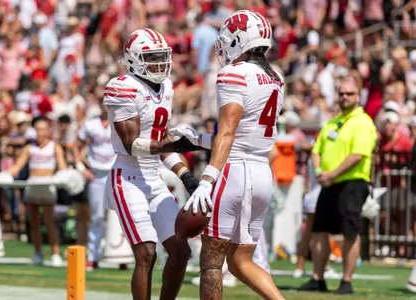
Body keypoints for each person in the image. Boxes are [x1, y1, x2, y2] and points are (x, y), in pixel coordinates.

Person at [170, 10, 284, 300]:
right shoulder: (274, 77)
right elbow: (243, 136)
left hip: (234, 172)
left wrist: (208, 179)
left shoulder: (233, 73)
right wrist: (197, 140)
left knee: (211, 260)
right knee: (240, 261)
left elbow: (229, 132)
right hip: (260, 171)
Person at [103, 28, 203, 300]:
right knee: (146, 253)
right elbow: (132, 145)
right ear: (134, 59)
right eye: (152, 57)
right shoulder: (123, 86)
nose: (159, 64)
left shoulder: (166, 87)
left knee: (181, 251)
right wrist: (178, 145)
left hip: (153, 179)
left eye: (162, 57)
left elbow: (163, 139)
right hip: (127, 178)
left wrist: (185, 175)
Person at [298, 77, 377, 294]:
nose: (344, 97)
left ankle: (346, 280)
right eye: (341, 93)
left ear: (358, 97)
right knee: (319, 230)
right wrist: (319, 173)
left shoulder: (363, 122)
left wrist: (331, 174)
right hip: (328, 183)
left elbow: (358, 155)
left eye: (349, 93)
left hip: (352, 182)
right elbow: (316, 150)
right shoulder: (332, 122)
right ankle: (317, 278)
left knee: (349, 232)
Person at [6, 116, 67, 267]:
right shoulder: (29, 148)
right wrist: (4, 174)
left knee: (49, 222)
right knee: (33, 223)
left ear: (48, 131)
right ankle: (38, 253)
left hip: (47, 187)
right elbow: (18, 166)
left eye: (43, 129)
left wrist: (65, 176)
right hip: (32, 186)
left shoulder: (54, 146)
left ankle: (55, 253)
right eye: (38, 129)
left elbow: (62, 166)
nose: (40, 133)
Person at [74, 100, 117, 271]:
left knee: (122, 216)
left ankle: (122, 254)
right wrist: (80, 166)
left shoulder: (119, 123)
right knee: (97, 217)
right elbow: (76, 146)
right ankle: (92, 256)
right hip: (97, 174)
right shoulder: (91, 125)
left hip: (116, 173)